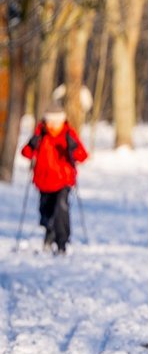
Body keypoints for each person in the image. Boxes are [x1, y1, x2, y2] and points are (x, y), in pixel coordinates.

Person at [20, 97, 88, 254]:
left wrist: (74, 147)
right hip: (43, 180)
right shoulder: (40, 133)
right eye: (50, 121)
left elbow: (82, 156)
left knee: (61, 209)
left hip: (63, 179)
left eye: (56, 122)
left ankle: (62, 242)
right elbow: (26, 153)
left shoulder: (68, 134)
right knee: (46, 212)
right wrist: (32, 144)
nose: (53, 125)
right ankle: (49, 233)